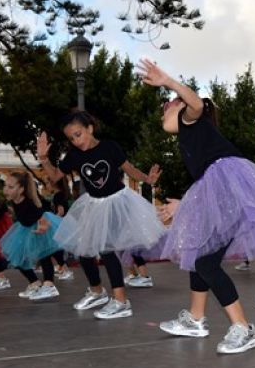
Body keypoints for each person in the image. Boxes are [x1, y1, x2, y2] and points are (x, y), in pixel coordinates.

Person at [137, 59, 255, 354]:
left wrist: (168, 82)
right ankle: (196, 318)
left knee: (205, 262)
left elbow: (196, 104)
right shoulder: (192, 140)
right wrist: (184, 204)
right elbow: (207, 185)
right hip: (225, 195)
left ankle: (242, 327)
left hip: (230, 192)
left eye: (167, 105)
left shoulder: (191, 120)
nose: (163, 110)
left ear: (180, 106)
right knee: (197, 253)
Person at [38, 111, 165, 319]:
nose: (76, 141)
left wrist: (147, 179)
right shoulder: (74, 155)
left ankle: (121, 301)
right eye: (71, 138)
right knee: (83, 251)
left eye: (78, 134)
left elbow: (129, 169)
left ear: (90, 128)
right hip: (94, 205)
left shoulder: (109, 147)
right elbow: (54, 177)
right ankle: (97, 291)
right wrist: (44, 158)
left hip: (117, 202)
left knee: (106, 250)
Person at [0, 171, 64, 300]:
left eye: (10, 187)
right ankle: (35, 283)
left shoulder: (28, 202)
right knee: (18, 259)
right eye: (5, 186)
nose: (6, 189)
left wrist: (42, 225)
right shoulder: (14, 200)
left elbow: (41, 213)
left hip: (40, 228)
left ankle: (49, 285)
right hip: (25, 229)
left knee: (44, 256)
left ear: (21, 190)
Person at [45, 176, 74, 281]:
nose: (46, 185)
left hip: (59, 223)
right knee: (55, 247)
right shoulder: (59, 194)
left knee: (53, 247)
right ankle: (63, 268)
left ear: (54, 183)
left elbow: (61, 211)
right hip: (62, 223)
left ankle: (65, 268)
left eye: (47, 183)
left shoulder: (58, 195)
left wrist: (52, 221)